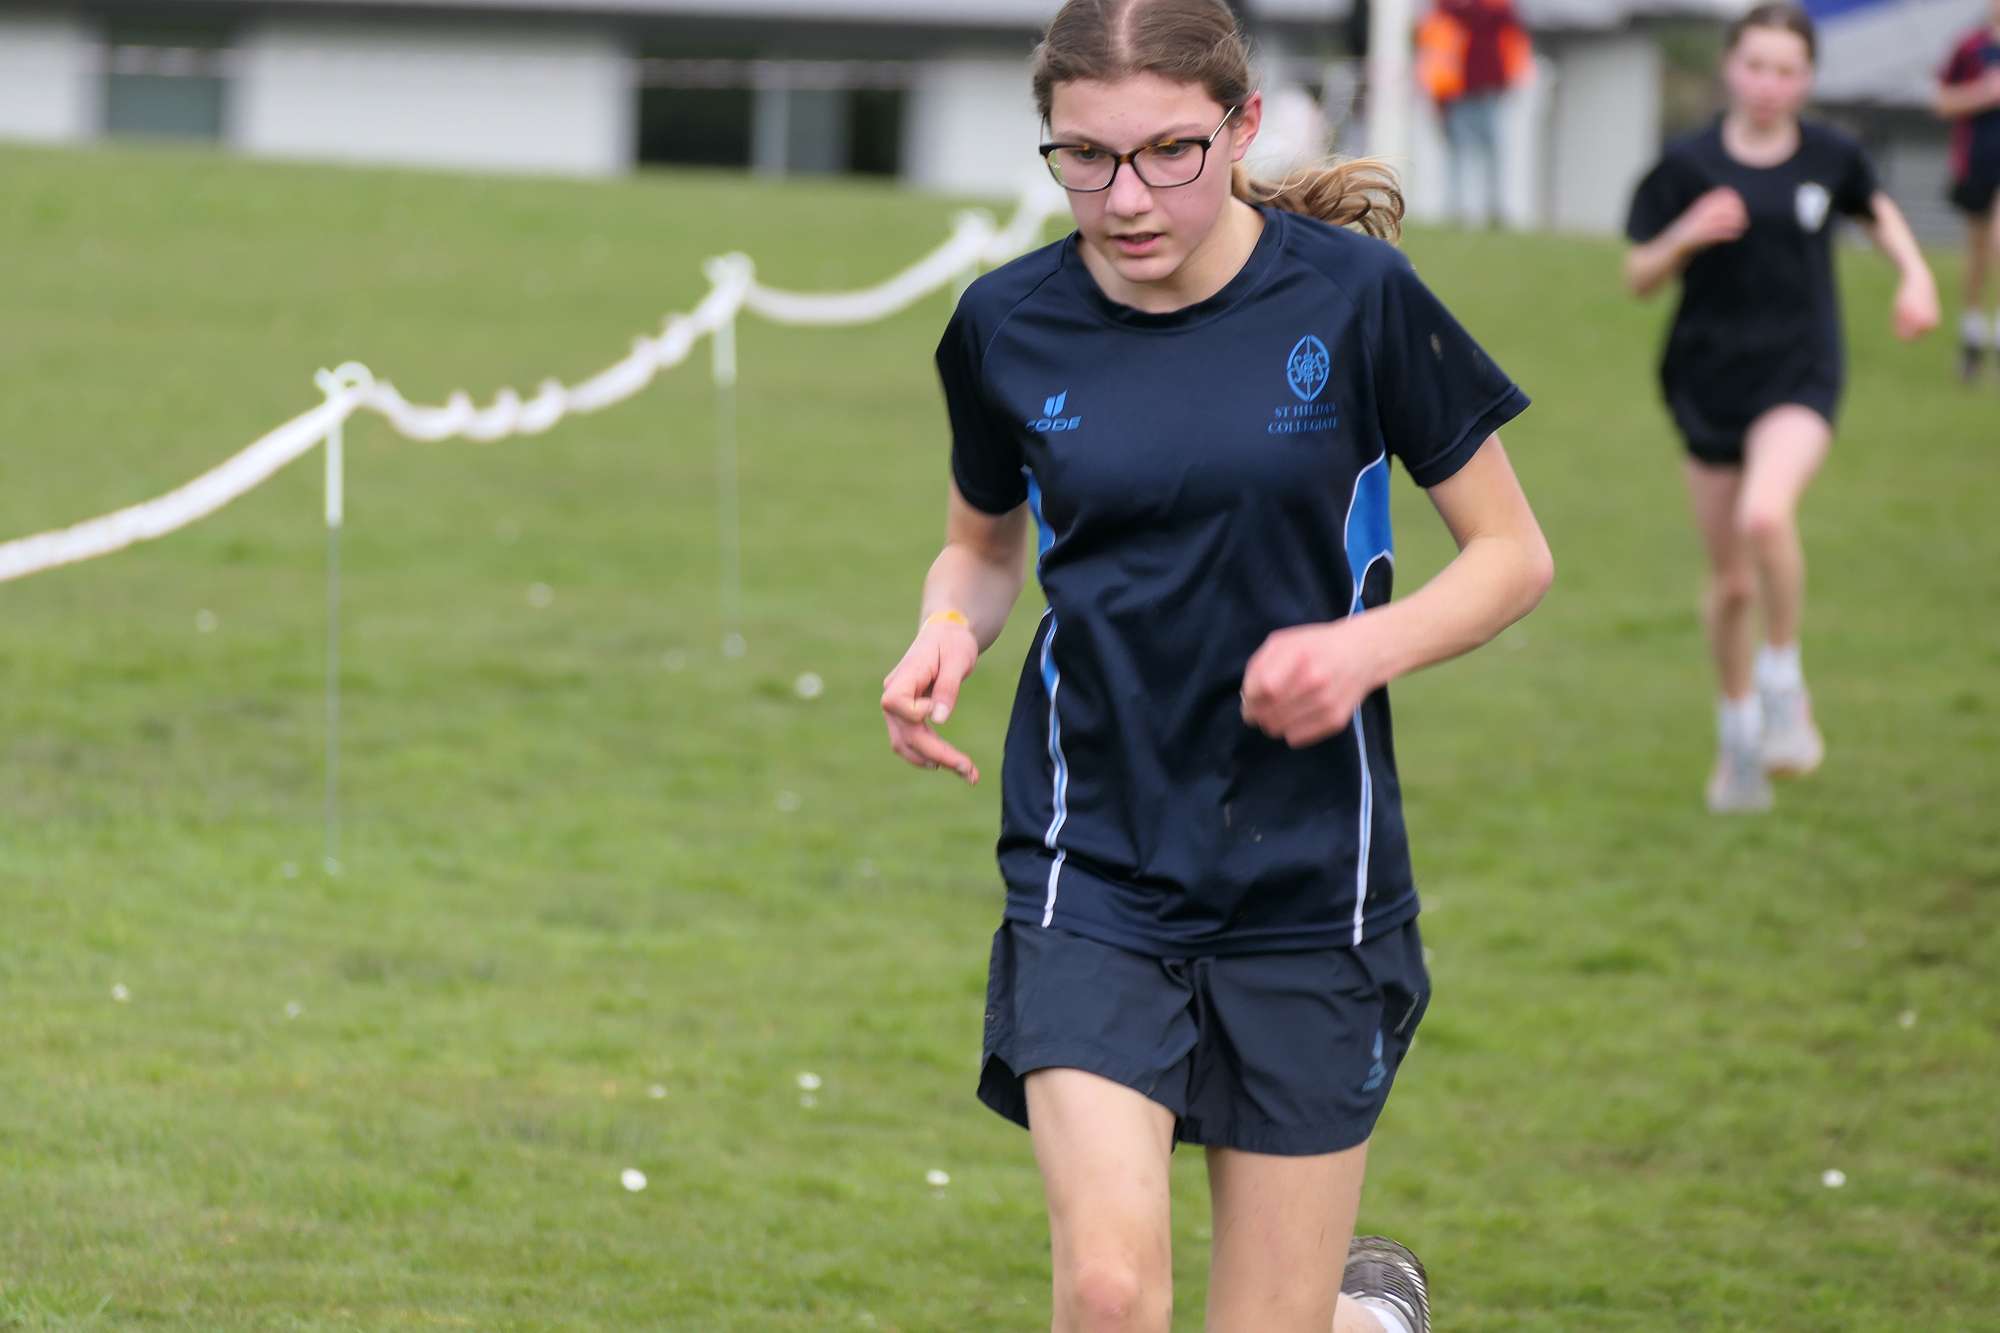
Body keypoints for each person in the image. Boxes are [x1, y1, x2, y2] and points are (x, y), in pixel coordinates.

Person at [877, 1, 1554, 1328]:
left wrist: (1358, 650)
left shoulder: (1357, 302)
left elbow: (1511, 555)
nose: (1125, 198)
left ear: (1242, 127)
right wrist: (946, 630)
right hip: (1093, 860)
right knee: (1109, 1291)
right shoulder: (1005, 322)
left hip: (1311, 876)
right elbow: (980, 547)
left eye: (1168, 152)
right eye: (1084, 157)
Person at [1623, 2, 1939, 815]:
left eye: (1787, 71)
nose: (1769, 84)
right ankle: (1738, 739)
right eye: (1756, 66)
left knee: (1767, 514)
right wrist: (1687, 234)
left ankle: (1784, 687)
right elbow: (1639, 276)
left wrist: (1915, 276)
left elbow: (1879, 213)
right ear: (1731, 68)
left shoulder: (1832, 155)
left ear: (1807, 80)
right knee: (1731, 583)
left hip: (1801, 374)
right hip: (1706, 382)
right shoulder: (1688, 163)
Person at [1417, 0, 1532, 228]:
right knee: (1465, 151)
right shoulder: (1450, 10)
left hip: (1483, 88)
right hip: (1458, 90)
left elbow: (1513, 46)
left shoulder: (1494, 11)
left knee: (1487, 150)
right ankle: (1461, 208)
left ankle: (1488, 208)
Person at [1936, 0, 2000, 383]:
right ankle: (1973, 338)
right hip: (1976, 164)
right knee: (1976, 254)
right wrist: (1983, 93)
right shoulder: (1969, 47)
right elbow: (1943, 101)